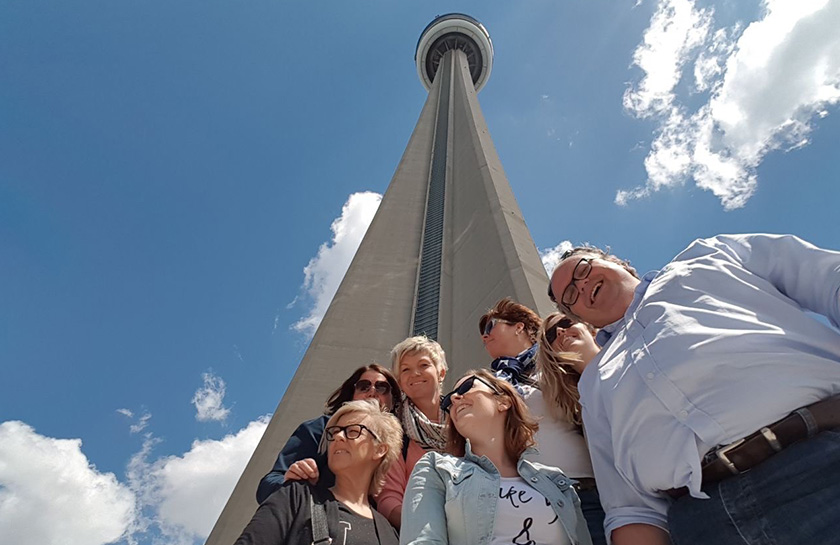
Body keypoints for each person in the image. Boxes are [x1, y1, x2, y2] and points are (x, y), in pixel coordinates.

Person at [548, 234, 840, 545]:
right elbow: (630, 507)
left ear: (619, 262)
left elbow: (826, 277)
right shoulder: (594, 383)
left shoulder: (708, 256)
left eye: (582, 269)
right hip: (705, 522)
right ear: (581, 318)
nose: (580, 286)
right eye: (570, 295)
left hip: (822, 458)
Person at [400, 369, 592, 545]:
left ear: (503, 401)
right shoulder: (437, 469)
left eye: (467, 387)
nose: (455, 399)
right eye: (448, 402)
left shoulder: (556, 481)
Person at [480, 298, 605, 544]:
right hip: (525, 504)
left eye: (490, 327)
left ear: (519, 327)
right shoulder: (489, 385)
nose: (484, 337)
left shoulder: (558, 361)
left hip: (581, 493)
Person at [236, 400, 402, 545]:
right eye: (334, 432)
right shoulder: (295, 497)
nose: (337, 437)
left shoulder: (390, 535)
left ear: (380, 450)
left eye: (352, 431)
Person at [256, 364, 400, 503]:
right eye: (363, 386)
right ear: (352, 395)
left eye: (382, 388)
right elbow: (268, 485)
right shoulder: (320, 429)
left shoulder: (405, 443)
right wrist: (289, 484)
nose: (372, 392)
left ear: (393, 400)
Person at [378, 335, 448, 530]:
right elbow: (388, 497)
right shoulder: (393, 429)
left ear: (441, 372)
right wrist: (424, 527)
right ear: (399, 382)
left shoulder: (465, 420)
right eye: (405, 369)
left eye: (424, 365)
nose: (415, 373)